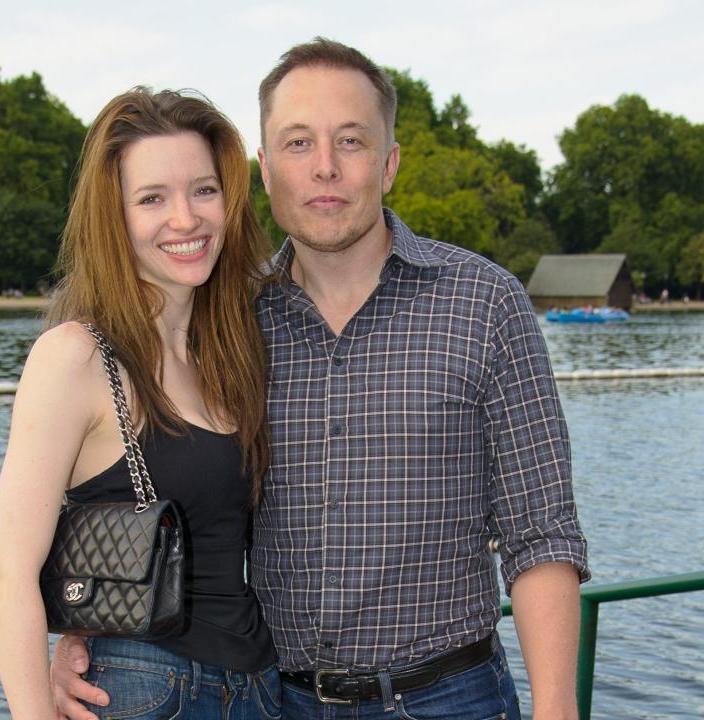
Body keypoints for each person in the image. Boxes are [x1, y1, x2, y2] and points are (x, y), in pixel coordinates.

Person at [54, 38, 589, 720]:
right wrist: (83, 631)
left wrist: (557, 706)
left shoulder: (487, 304)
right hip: (276, 699)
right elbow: (180, 509)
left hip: (452, 698)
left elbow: (541, 531)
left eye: (352, 141)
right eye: (299, 144)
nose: (326, 168)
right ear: (266, 171)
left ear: (389, 164)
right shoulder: (225, 322)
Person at [0, 87, 280, 719]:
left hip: (259, 687)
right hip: (150, 691)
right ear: (113, 217)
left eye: (204, 189)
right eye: (152, 198)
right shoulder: (77, 356)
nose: (186, 218)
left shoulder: (231, 349)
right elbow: (7, 572)